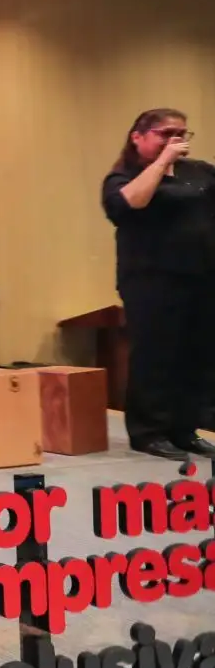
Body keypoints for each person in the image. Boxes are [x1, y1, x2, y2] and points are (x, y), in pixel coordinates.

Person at [101, 108, 215, 460]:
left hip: (201, 276)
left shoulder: (200, 173)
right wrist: (163, 161)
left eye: (181, 133)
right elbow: (131, 203)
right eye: (165, 133)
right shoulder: (123, 176)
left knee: (195, 356)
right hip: (151, 280)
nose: (175, 140)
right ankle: (149, 432)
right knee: (155, 356)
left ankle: (185, 430)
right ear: (138, 137)